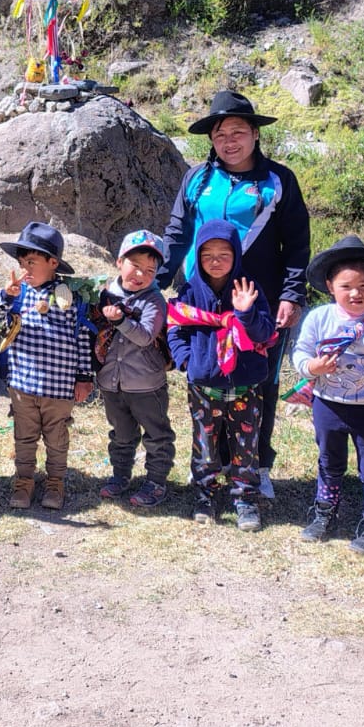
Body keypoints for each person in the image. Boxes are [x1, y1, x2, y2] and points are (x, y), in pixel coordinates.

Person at [157, 90, 310, 500]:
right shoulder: (197, 180)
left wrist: (291, 294)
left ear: (255, 134)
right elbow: (177, 234)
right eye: (220, 134)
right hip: (203, 302)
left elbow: (297, 244)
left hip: (257, 305)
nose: (229, 141)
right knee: (208, 380)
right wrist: (156, 282)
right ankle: (215, 464)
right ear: (211, 139)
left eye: (238, 132)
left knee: (259, 383)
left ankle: (256, 465)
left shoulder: (279, 181)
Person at [294, 236, 364, 555]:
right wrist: (312, 367)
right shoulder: (319, 319)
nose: (356, 293)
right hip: (327, 406)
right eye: (346, 286)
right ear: (330, 286)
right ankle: (324, 515)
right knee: (328, 462)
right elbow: (300, 352)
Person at [166, 220, 275, 529]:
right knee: (205, 445)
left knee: (246, 446)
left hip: (245, 386)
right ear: (198, 257)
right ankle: (205, 495)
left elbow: (265, 333)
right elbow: (175, 327)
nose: (215, 261)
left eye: (224, 254)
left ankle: (245, 499)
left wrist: (245, 313)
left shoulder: (249, 288)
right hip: (203, 387)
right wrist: (187, 361)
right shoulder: (190, 291)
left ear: (236, 254)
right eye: (207, 255)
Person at [0, 221, 93, 512]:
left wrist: (84, 377)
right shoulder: (17, 294)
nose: (25, 269)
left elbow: (81, 337)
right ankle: (24, 481)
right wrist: (6, 295)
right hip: (22, 384)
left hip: (59, 387)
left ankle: (55, 482)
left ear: (53, 263)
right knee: (24, 436)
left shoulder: (70, 297)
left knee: (57, 438)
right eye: (22, 263)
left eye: (31, 262)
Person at [92, 230, 174, 507]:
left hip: (146, 384)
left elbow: (145, 336)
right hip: (111, 382)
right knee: (121, 434)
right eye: (135, 265)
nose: (141, 274)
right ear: (119, 262)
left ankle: (156, 482)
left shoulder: (154, 300)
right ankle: (120, 476)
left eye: (150, 270)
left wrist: (120, 322)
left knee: (157, 434)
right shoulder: (103, 294)